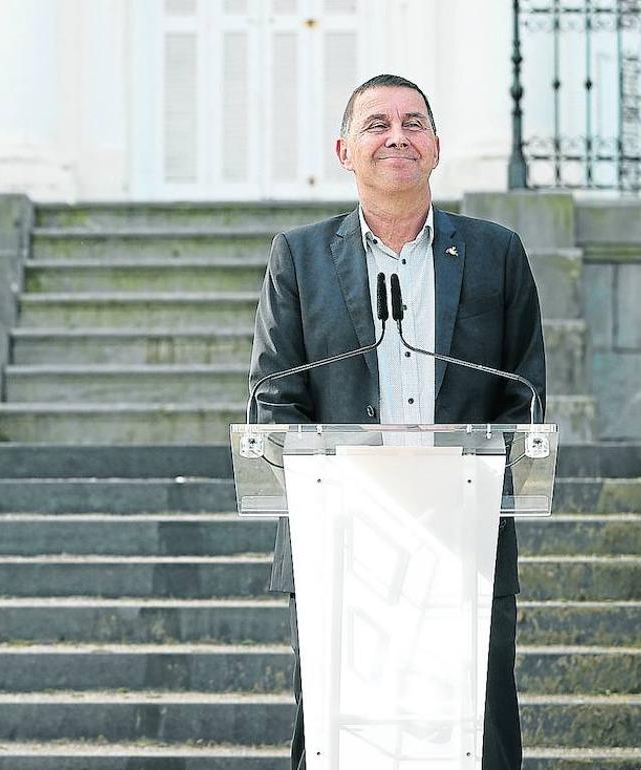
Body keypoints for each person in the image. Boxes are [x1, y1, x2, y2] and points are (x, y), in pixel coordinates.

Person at [248, 74, 545, 770]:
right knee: (342, 743)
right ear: (345, 150)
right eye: (377, 124)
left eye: (414, 123)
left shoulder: (497, 253)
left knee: (478, 738)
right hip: (340, 548)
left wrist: (472, 485)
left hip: (464, 540)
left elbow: (523, 395)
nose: (397, 136)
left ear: (436, 147)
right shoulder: (299, 256)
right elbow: (274, 397)